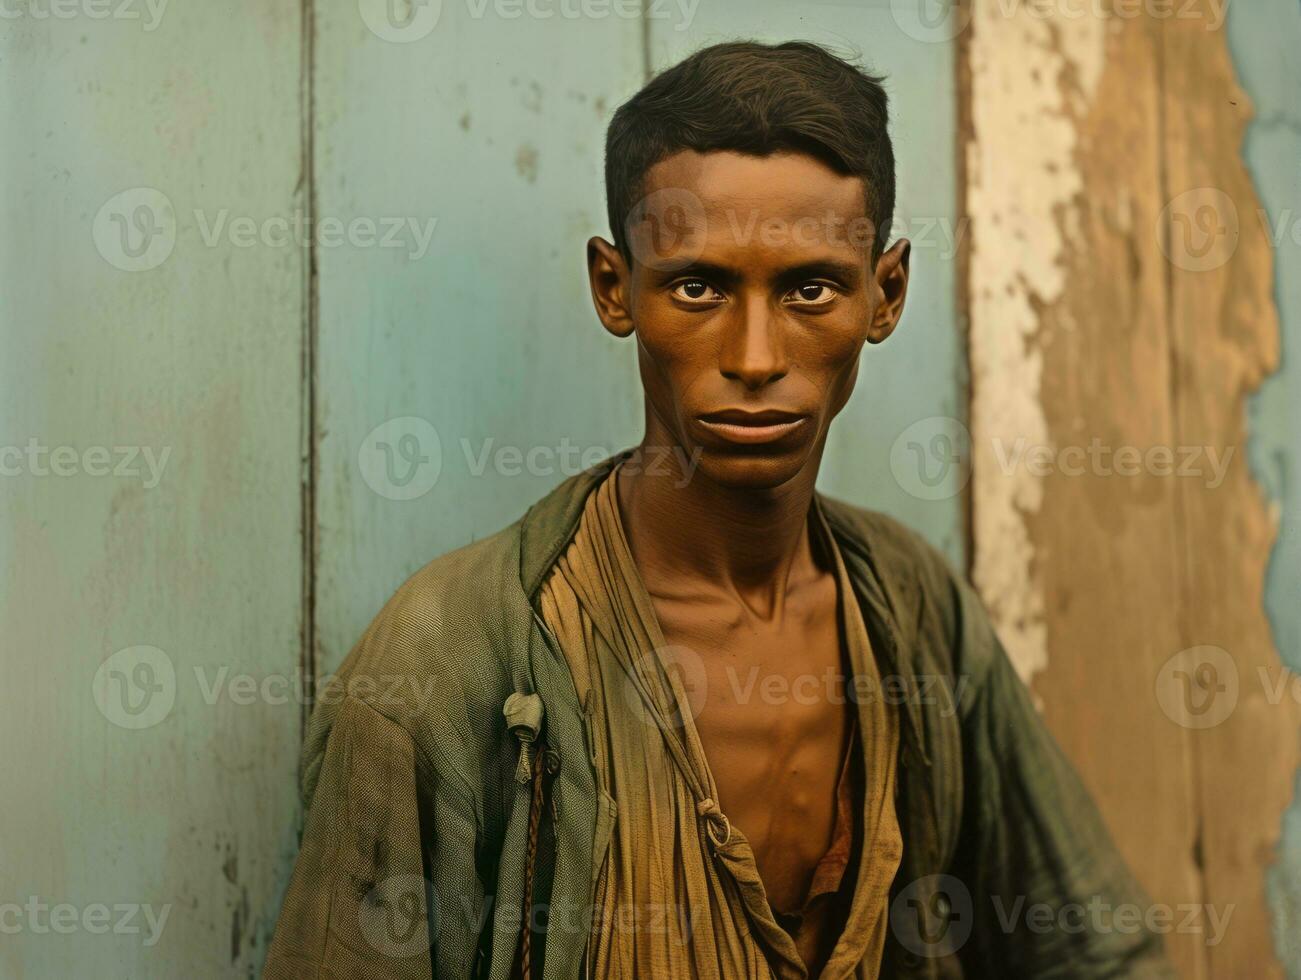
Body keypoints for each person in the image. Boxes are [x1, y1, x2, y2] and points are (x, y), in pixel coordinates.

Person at [265, 40, 1174, 980]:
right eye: (697, 287)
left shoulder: (909, 611)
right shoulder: (448, 661)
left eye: (808, 289)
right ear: (615, 291)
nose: (751, 357)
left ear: (885, 294)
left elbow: (1095, 948)